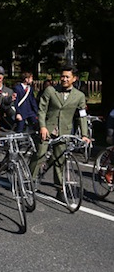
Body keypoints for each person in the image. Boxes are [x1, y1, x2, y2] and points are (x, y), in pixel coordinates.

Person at [28, 65, 90, 201]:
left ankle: (59, 188)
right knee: (40, 154)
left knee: (59, 159)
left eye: (67, 77)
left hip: (64, 130)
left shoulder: (79, 96)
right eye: (62, 76)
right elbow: (42, 110)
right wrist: (42, 126)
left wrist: (84, 135)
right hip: (48, 128)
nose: (64, 79)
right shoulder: (50, 91)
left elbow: (82, 116)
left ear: (74, 79)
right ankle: (29, 181)